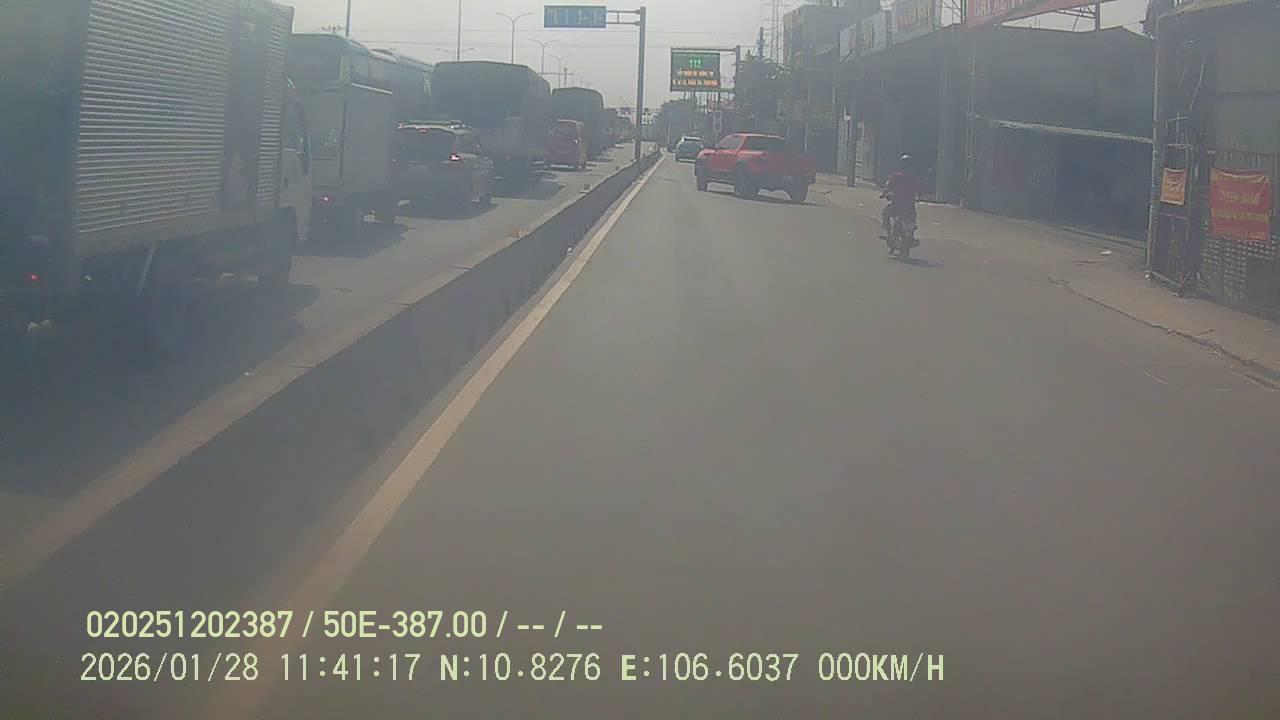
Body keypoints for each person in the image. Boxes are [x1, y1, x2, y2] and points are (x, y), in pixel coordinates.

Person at [881, 154, 921, 239]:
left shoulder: (896, 176)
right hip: (908, 206)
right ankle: (911, 234)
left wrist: (883, 194)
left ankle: (888, 232)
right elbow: (918, 191)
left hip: (897, 204)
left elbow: (888, 187)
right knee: (912, 218)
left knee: (885, 213)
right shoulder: (913, 178)